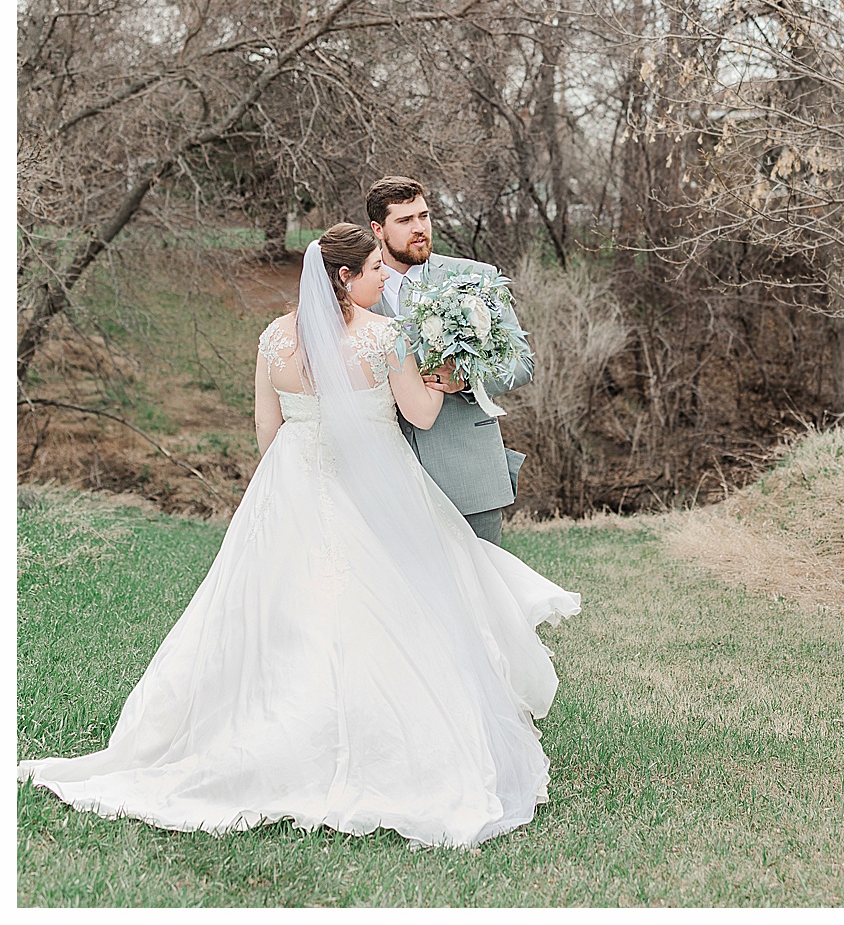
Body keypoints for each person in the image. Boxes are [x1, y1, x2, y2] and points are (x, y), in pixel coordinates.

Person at [19, 224, 579, 847]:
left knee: (284, 609)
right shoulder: (385, 337)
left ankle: (270, 727)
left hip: (290, 479)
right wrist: (445, 376)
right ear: (345, 277)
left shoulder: (274, 339)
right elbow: (418, 414)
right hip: (373, 481)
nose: (380, 281)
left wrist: (287, 474)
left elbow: (266, 427)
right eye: (372, 271)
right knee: (396, 601)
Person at [365, 176, 533, 545]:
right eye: (405, 221)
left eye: (423, 216)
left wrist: (466, 378)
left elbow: (522, 364)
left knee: (483, 591)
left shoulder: (475, 278)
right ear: (378, 229)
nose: (419, 228)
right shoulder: (354, 290)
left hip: (468, 466)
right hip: (385, 473)